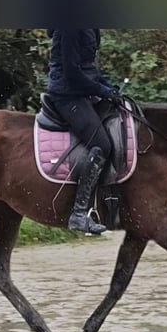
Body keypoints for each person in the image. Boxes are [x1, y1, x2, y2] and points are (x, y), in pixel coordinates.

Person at [46, 29, 119, 235]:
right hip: (67, 94)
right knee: (102, 144)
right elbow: (73, 73)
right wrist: (102, 91)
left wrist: (109, 88)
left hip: (82, 91)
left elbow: (90, 69)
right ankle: (78, 214)